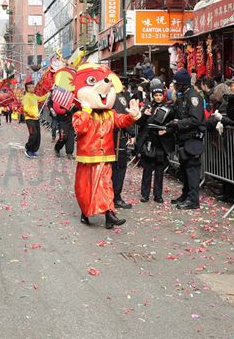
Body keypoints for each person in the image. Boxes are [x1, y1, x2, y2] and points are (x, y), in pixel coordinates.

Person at [71, 64, 141, 229]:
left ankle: (109, 215)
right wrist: (87, 110)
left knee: (106, 185)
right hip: (88, 157)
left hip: (105, 156)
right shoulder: (79, 114)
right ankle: (86, 212)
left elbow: (120, 121)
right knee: (86, 187)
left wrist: (132, 116)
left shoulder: (110, 113)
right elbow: (80, 129)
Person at [167, 69, 206, 210]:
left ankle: (193, 200)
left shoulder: (193, 97)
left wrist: (178, 123)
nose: (175, 86)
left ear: (183, 84)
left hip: (192, 139)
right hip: (183, 139)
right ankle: (185, 195)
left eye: (176, 84)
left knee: (192, 171)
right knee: (184, 170)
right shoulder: (183, 96)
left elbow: (195, 119)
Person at [135, 79, 173, 203]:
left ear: (163, 95)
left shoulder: (168, 107)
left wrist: (166, 131)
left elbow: (172, 124)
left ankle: (158, 195)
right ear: (152, 95)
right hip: (149, 142)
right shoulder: (147, 106)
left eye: (160, 95)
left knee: (159, 171)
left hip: (161, 143)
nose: (158, 97)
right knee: (147, 170)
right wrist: (145, 115)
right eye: (156, 95)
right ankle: (145, 194)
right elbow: (138, 123)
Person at [111, 82, 136, 210]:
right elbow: (124, 118)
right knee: (119, 168)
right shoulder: (118, 97)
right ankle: (115, 197)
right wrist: (131, 133)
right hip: (116, 138)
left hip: (103, 138)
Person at [22, 81, 47, 158]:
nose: (34, 88)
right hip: (29, 119)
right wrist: (34, 114)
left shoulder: (34, 96)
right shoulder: (26, 97)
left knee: (38, 135)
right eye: (32, 87)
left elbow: (41, 99)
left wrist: (49, 94)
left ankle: (33, 150)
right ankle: (28, 149)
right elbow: (26, 109)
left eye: (33, 86)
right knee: (33, 134)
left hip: (36, 119)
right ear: (28, 88)